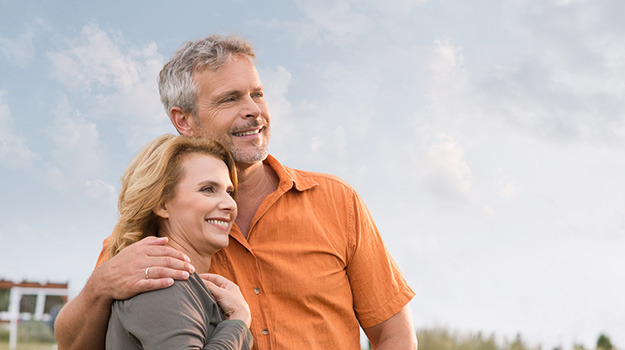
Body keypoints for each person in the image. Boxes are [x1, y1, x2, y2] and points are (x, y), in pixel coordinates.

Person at [55, 34, 417, 350]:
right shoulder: (146, 234)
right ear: (184, 120)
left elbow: (394, 335)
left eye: (257, 94)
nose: (254, 111)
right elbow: (73, 345)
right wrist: (99, 286)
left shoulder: (338, 201)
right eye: (230, 99)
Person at [105, 134, 253, 349]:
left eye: (229, 192)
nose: (230, 204)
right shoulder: (163, 282)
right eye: (208, 189)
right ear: (162, 204)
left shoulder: (184, 284)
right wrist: (238, 322)